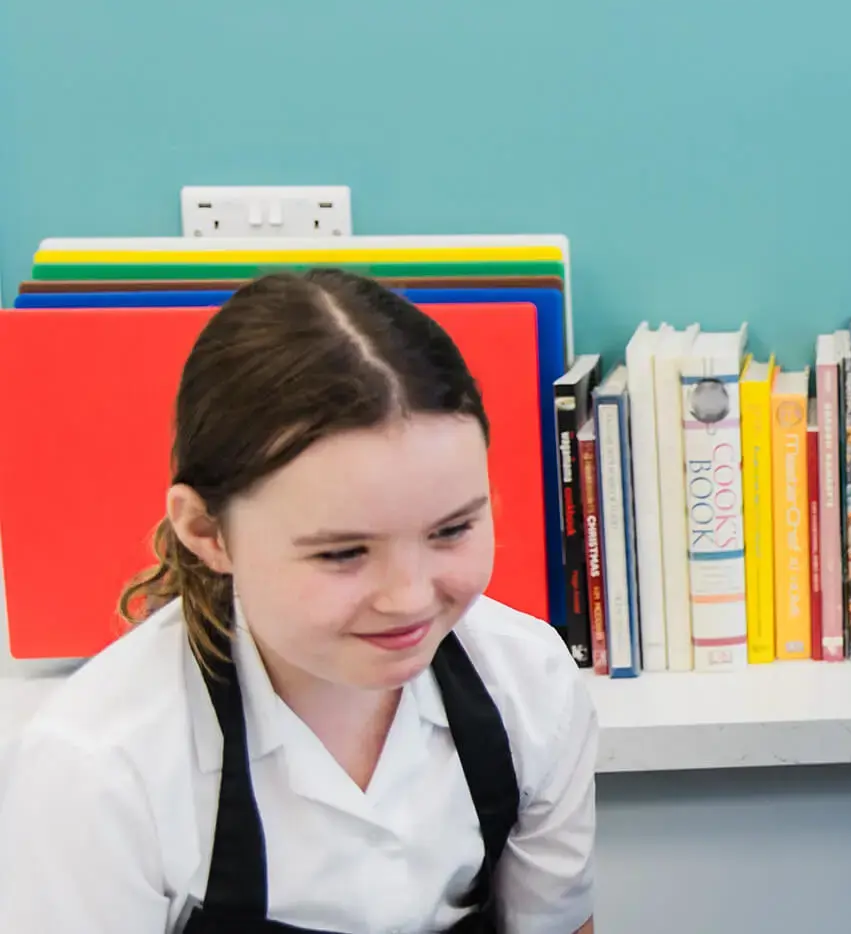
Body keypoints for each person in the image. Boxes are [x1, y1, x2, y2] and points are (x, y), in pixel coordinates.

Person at [0, 268, 599, 932]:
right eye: (342, 553)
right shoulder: (98, 767)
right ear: (206, 531)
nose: (407, 599)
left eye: (451, 530)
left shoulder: (531, 685)